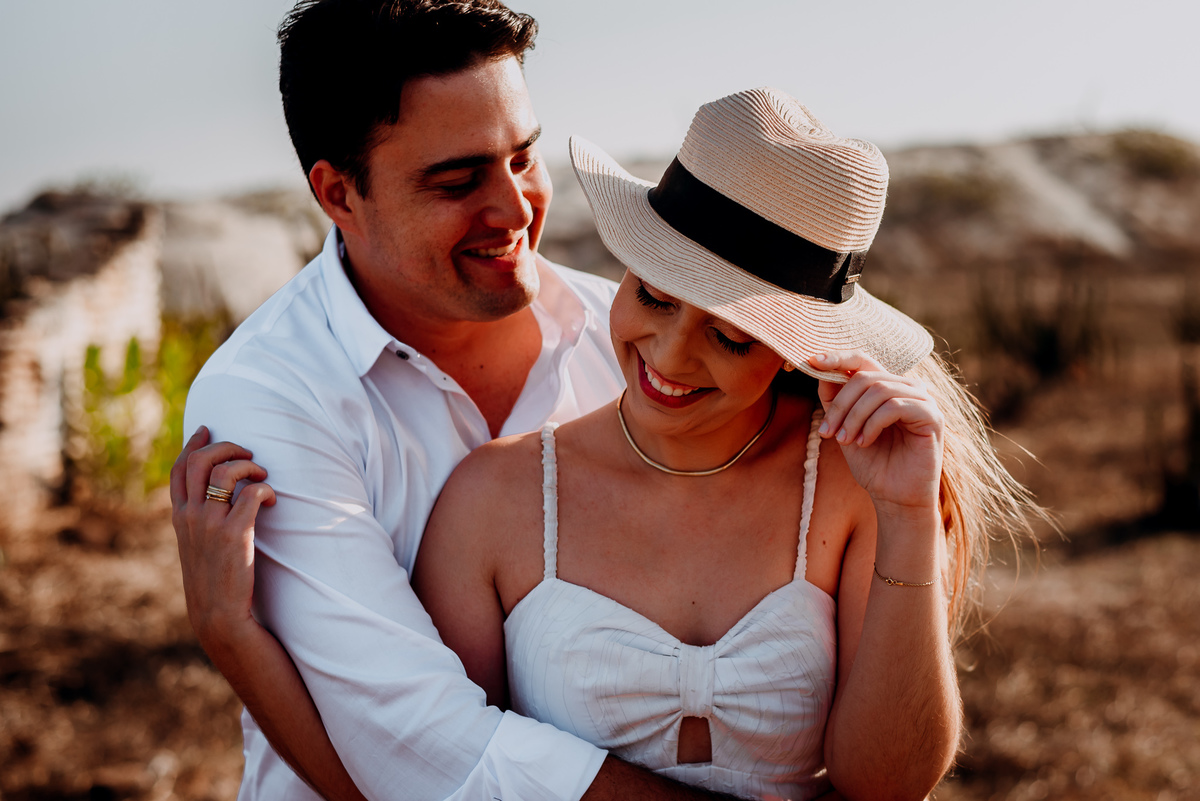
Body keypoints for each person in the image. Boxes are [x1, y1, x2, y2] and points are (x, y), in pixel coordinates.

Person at [177, 82, 1041, 800]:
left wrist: (910, 518)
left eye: (730, 335)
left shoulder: (853, 484)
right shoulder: (486, 492)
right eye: (655, 294)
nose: (668, 356)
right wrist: (233, 633)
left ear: (796, 346)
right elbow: (432, 767)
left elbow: (887, 783)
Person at [168, 0, 741, 799]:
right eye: (458, 179)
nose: (515, 210)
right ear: (338, 194)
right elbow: (420, 751)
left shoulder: (643, 344)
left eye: (523, 156)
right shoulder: (269, 396)